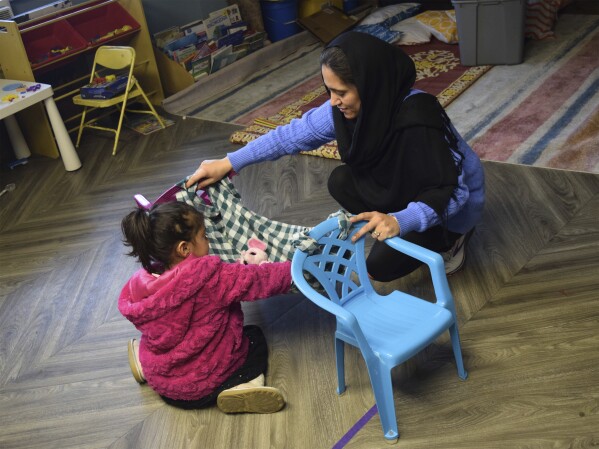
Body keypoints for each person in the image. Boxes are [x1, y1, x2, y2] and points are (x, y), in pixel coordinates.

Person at [186, 31, 485, 281]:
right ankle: (397, 225)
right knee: (341, 181)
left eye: (340, 91)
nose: (333, 101)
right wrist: (228, 162)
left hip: (452, 209)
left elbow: (454, 193)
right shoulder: (349, 111)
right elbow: (289, 136)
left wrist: (400, 220)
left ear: (369, 86)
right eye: (329, 90)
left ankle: (453, 241)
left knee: (379, 268)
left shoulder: (419, 120)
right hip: (408, 190)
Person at [118, 201, 292, 413]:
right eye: (204, 236)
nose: (208, 240)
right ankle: (245, 385)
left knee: (155, 342)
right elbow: (259, 280)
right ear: (184, 248)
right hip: (204, 385)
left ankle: (143, 362)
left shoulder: (144, 283)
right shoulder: (210, 277)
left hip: (164, 382)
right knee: (254, 338)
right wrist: (295, 269)